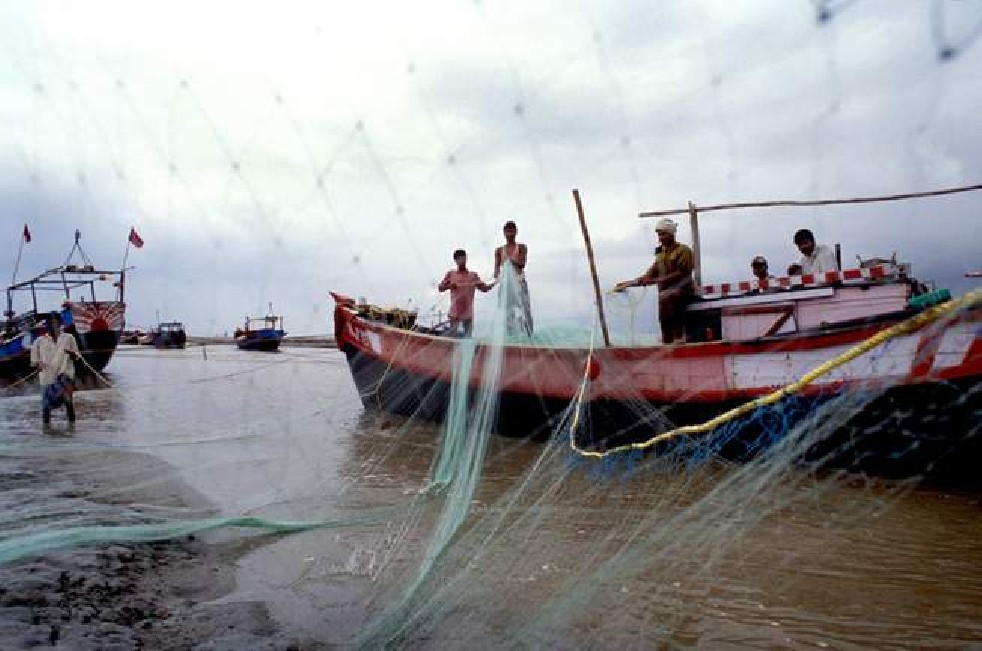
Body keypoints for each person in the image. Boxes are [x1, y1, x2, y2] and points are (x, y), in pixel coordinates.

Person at [613, 218, 695, 344]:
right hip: (665, 297)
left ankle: (680, 338)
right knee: (664, 316)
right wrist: (627, 284)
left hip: (682, 293)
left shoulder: (684, 251)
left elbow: (681, 274)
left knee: (669, 300)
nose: (660, 238)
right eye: (659, 235)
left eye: (663, 234)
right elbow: (648, 275)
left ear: (672, 233)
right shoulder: (660, 255)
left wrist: (655, 280)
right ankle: (667, 343)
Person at [30, 312, 80, 425]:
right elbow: (33, 361)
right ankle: (47, 430)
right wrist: (39, 365)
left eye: (56, 323)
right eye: (51, 323)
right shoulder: (39, 341)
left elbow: (76, 356)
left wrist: (71, 353)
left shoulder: (69, 338)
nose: (54, 325)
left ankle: (72, 429)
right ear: (47, 325)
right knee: (46, 407)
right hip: (47, 378)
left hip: (65, 375)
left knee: (68, 401)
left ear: (60, 323)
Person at [438, 249, 493, 337]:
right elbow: (440, 288)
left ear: (466, 259)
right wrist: (449, 286)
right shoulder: (451, 274)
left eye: (463, 258)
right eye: (459, 259)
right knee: (452, 337)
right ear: (455, 260)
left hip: (468, 314)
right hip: (454, 313)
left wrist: (496, 283)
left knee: (468, 338)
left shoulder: (473, 275)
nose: (462, 261)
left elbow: (484, 288)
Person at [493, 220, 533, 336]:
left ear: (516, 232)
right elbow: (496, 270)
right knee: (505, 311)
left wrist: (510, 262)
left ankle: (529, 335)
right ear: (504, 233)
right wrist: (496, 275)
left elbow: (522, 263)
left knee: (525, 310)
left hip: (519, 282)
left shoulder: (521, 247)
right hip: (506, 285)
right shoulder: (499, 250)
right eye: (507, 231)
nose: (510, 234)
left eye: (512, 231)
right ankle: (508, 335)